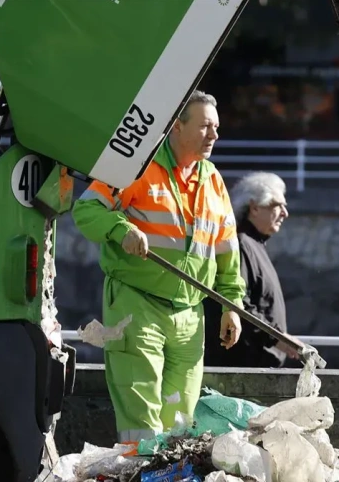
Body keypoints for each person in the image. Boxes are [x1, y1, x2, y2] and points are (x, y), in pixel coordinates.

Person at [71, 90, 247, 446]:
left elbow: (227, 251)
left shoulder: (212, 180)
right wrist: (123, 230)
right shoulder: (138, 167)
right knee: (143, 418)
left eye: (216, 127)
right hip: (138, 306)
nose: (214, 135)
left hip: (189, 314)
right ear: (175, 127)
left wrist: (232, 307)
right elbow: (86, 210)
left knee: (181, 420)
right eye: (205, 126)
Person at [204, 171, 301, 368]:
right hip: (242, 365)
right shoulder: (241, 244)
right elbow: (239, 303)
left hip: (254, 363)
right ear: (254, 207)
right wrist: (276, 337)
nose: (285, 213)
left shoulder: (253, 244)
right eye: (277, 206)